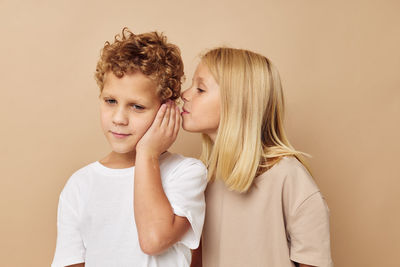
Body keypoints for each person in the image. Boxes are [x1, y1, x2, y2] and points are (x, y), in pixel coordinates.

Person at [51, 28, 207, 267]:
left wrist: (147, 154)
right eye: (110, 101)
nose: (119, 118)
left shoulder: (186, 173)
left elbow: (154, 241)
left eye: (137, 106)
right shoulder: (80, 185)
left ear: (166, 109)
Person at [182, 47, 333, 267]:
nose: (184, 94)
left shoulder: (288, 177)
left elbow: (313, 261)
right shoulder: (204, 178)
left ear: (237, 103)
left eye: (200, 89)